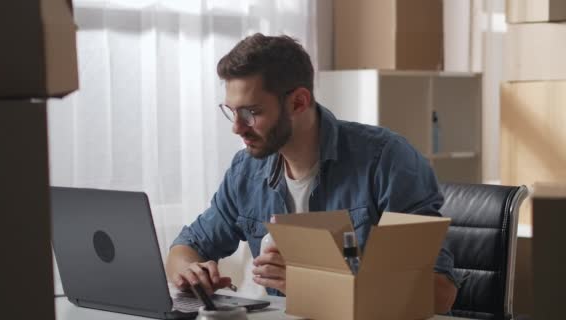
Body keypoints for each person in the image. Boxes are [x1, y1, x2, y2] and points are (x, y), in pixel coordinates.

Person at [166, 33, 458, 313]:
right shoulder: (246, 171)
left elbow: (438, 292)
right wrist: (191, 273)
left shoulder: (386, 160)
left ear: (298, 102)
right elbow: (184, 249)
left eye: (251, 113)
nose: (237, 127)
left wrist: (315, 285)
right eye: (231, 111)